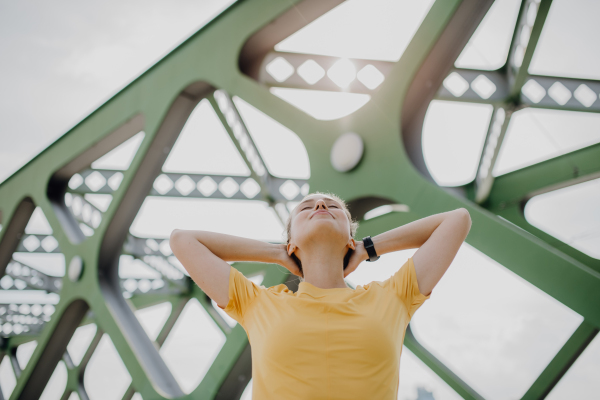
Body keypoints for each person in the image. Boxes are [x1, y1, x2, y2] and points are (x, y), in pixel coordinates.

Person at [170, 191, 472, 399]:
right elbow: (183, 240)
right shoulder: (258, 304)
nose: (319, 206)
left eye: (332, 206)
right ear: (291, 244)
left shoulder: (392, 297)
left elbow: (457, 220)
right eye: (306, 208)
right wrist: (277, 252)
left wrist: (368, 247)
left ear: (350, 238)